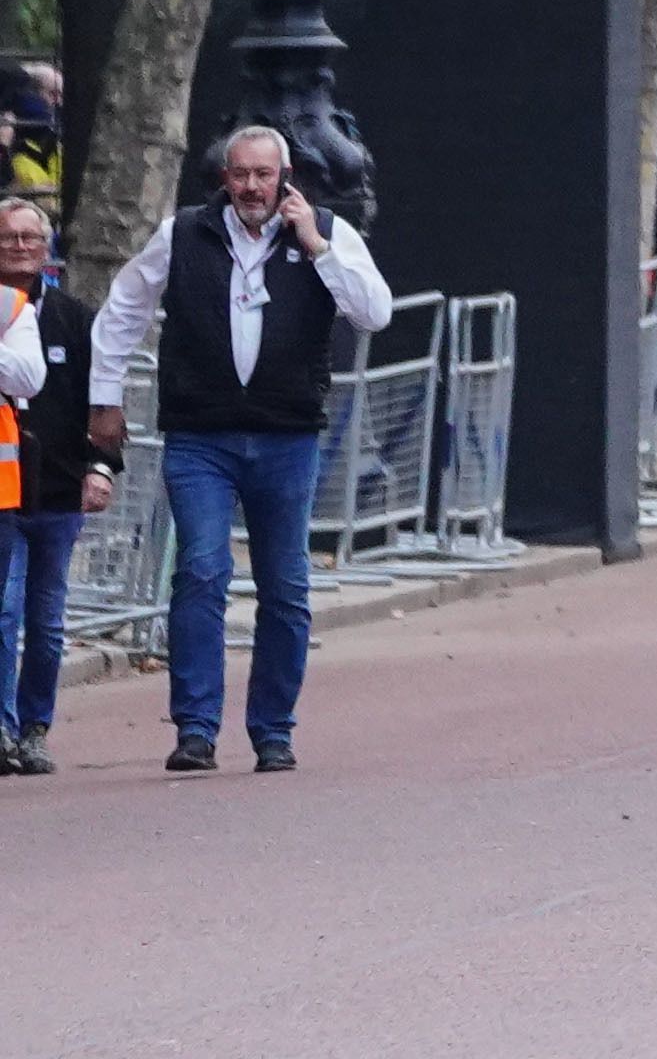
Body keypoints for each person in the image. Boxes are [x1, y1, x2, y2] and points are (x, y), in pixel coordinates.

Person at [78, 123, 397, 770]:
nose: (252, 186)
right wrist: (104, 398)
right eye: (240, 173)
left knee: (285, 583)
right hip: (202, 434)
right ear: (224, 177)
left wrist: (316, 246)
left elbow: (375, 312)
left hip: (286, 435)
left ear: (286, 178)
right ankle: (195, 728)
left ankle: (272, 729)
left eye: (264, 174)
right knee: (201, 567)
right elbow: (121, 312)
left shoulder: (326, 232)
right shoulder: (184, 233)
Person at [0, 193, 102, 775]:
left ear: (47, 248)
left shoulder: (72, 319)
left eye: (30, 238)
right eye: (9, 237)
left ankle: (36, 726)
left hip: (59, 488)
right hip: (4, 493)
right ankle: (3, 728)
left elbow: (102, 401)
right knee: (3, 611)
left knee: (47, 619)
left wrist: (102, 466)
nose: (20, 248)